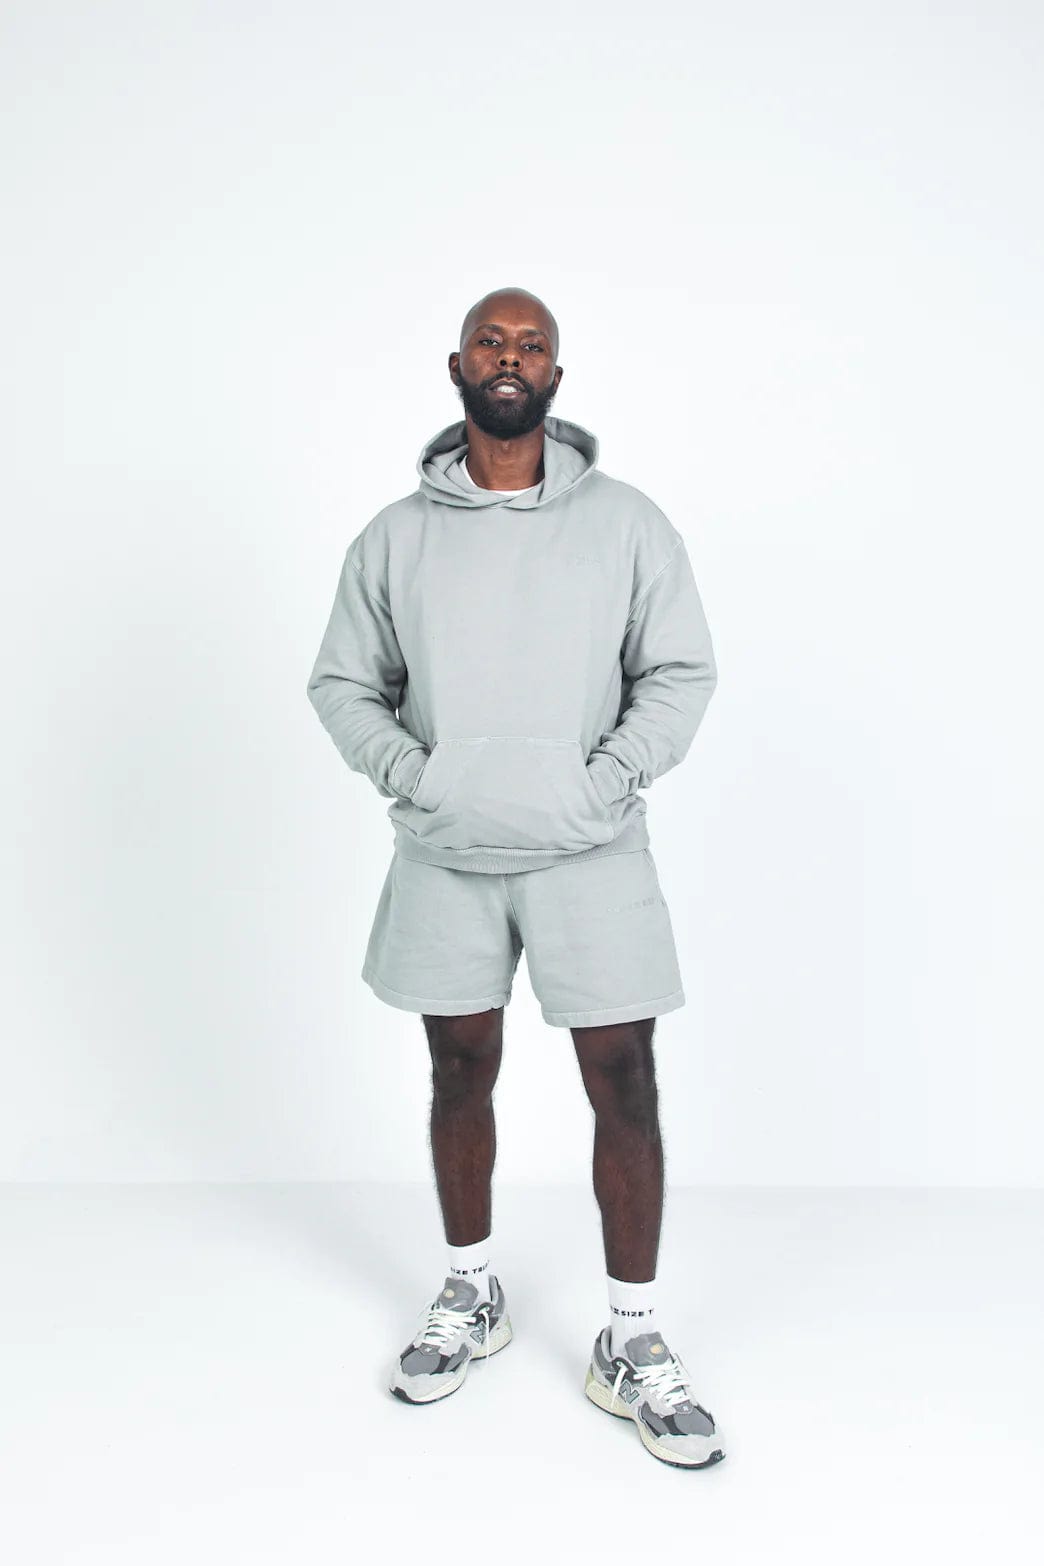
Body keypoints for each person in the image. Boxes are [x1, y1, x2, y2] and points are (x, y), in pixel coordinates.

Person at [306, 287, 724, 1468]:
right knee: (458, 1069)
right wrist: (419, 776)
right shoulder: (395, 537)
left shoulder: (627, 524)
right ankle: (471, 1291)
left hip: (591, 847)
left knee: (625, 1079)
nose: (510, 356)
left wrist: (606, 780)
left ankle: (632, 1340)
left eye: (531, 344)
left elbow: (680, 672)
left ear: (556, 376)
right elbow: (343, 684)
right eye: (491, 341)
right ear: (457, 367)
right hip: (448, 851)